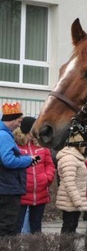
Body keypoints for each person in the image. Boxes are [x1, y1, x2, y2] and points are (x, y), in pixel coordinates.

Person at [0, 102, 36, 237]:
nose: (19, 125)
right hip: (8, 189)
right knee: (7, 228)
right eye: (19, 121)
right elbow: (8, 160)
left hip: (5, 187)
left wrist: (21, 154)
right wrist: (28, 160)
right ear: (12, 119)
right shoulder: (4, 135)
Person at [14, 117, 55, 234]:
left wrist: (47, 178)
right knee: (17, 226)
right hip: (22, 193)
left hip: (40, 192)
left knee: (36, 226)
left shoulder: (42, 145)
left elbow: (49, 165)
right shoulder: (16, 145)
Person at [55, 134, 87, 234]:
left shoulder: (76, 157)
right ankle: (65, 249)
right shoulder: (70, 158)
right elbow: (69, 181)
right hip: (70, 199)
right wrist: (77, 200)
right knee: (68, 227)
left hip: (74, 198)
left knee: (72, 226)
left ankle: (69, 249)